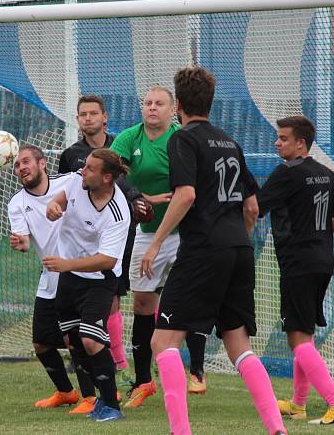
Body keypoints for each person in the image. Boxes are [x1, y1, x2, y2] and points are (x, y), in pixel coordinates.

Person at [142, 66, 286, 435]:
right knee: (239, 345)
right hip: (239, 247)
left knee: (163, 340)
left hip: (204, 248)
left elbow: (186, 195)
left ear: (178, 107)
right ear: (210, 101)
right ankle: (277, 429)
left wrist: (156, 241)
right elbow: (252, 207)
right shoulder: (229, 142)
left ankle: (181, 432)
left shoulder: (182, 139)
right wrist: (239, 236)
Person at [110, 87, 209, 410]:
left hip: (185, 234)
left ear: (173, 110)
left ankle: (196, 370)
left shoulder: (181, 139)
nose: (152, 108)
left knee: (189, 300)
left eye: (159, 103)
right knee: (142, 303)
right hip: (148, 233)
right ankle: (143, 381)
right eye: (148, 103)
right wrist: (140, 197)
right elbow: (112, 171)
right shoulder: (130, 138)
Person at [256, 115, 334, 425]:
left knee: (298, 337)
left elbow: (254, 206)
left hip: (298, 263)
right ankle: (298, 405)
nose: (277, 142)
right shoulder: (325, 173)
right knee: (303, 333)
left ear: (301, 143)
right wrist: (319, 234)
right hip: (322, 260)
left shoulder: (287, 173)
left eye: (283, 138)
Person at [58, 95, 149, 390]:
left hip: (112, 238)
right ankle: (93, 364)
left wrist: (139, 202)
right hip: (79, 244)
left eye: (92, 113)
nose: (87, 118)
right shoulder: (72, 155)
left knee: (111, 300)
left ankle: (117, 363)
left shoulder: (118, 148)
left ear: (104, 117)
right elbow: (64, 188)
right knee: (76, 319)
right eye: (82, 114)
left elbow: (127, 186)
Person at [7, 145, 98, 413]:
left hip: (79, 272)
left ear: (43, 164)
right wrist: (20, 243)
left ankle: (91, 398)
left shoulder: (70, 181)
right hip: (50, 277)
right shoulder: (17, 203)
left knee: (75, 339)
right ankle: (66, 392)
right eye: (17, 165)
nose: (21, 168)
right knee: (41, 343)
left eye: (26, 162)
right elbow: (23, 241)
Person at [43, 148, 132, 422]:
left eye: (91, 168)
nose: (84, 170)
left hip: (99, 281)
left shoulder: (118, 211)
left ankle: (112, 407)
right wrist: (53, 208)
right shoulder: (76, 181)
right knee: (73, 343)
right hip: (69, 278)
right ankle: (102, 398)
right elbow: (58, 200)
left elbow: (107, 260)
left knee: (91, 339)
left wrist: (67, 265)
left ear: (106, 178)